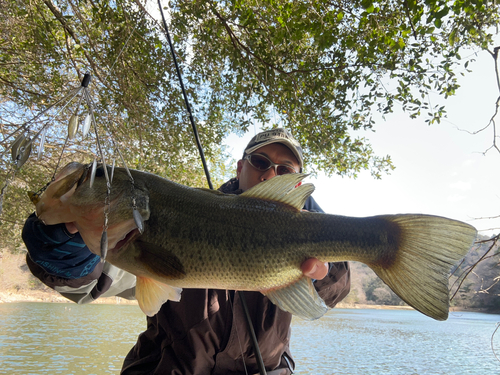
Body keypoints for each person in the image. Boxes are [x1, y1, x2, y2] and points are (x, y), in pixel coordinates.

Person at [22, 128, 350, 375]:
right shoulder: (170, 215)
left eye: (286, 171)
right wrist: (62, 246)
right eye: (260, 161)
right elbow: (95, 282)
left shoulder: (305, 236)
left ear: (296, 186)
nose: (269, 173)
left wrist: (320, 259)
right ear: (240, 168)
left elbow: (336, 288)